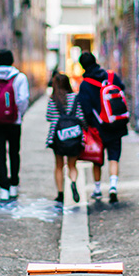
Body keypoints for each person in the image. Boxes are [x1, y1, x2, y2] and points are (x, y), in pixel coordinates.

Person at [76, 51, 128, 203]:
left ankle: (97, 189)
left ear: (82, 66)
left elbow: (85, 109)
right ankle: (113, 186)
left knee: (97, 159)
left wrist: (89, 126)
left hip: (98, 127)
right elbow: (121, 89)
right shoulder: (111, 76)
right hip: (116, 124)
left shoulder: (85, 85)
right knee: (114, 157)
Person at [0, 49, 30, 201]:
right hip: (15, 122)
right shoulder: (20, 77)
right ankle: (14, 185)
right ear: (12, 60)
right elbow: (23, 100)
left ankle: (3, 189)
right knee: (15, 153)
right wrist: (18, 114)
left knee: (0, 155)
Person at [46, 73, 86, 204]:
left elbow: (49, 117)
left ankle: (60, 193)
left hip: (57, 137)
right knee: (72, 165)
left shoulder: (53, 99)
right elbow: (80, 116)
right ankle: (73, 182)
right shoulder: (75, 98)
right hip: (74, 136)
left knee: (58, 165)